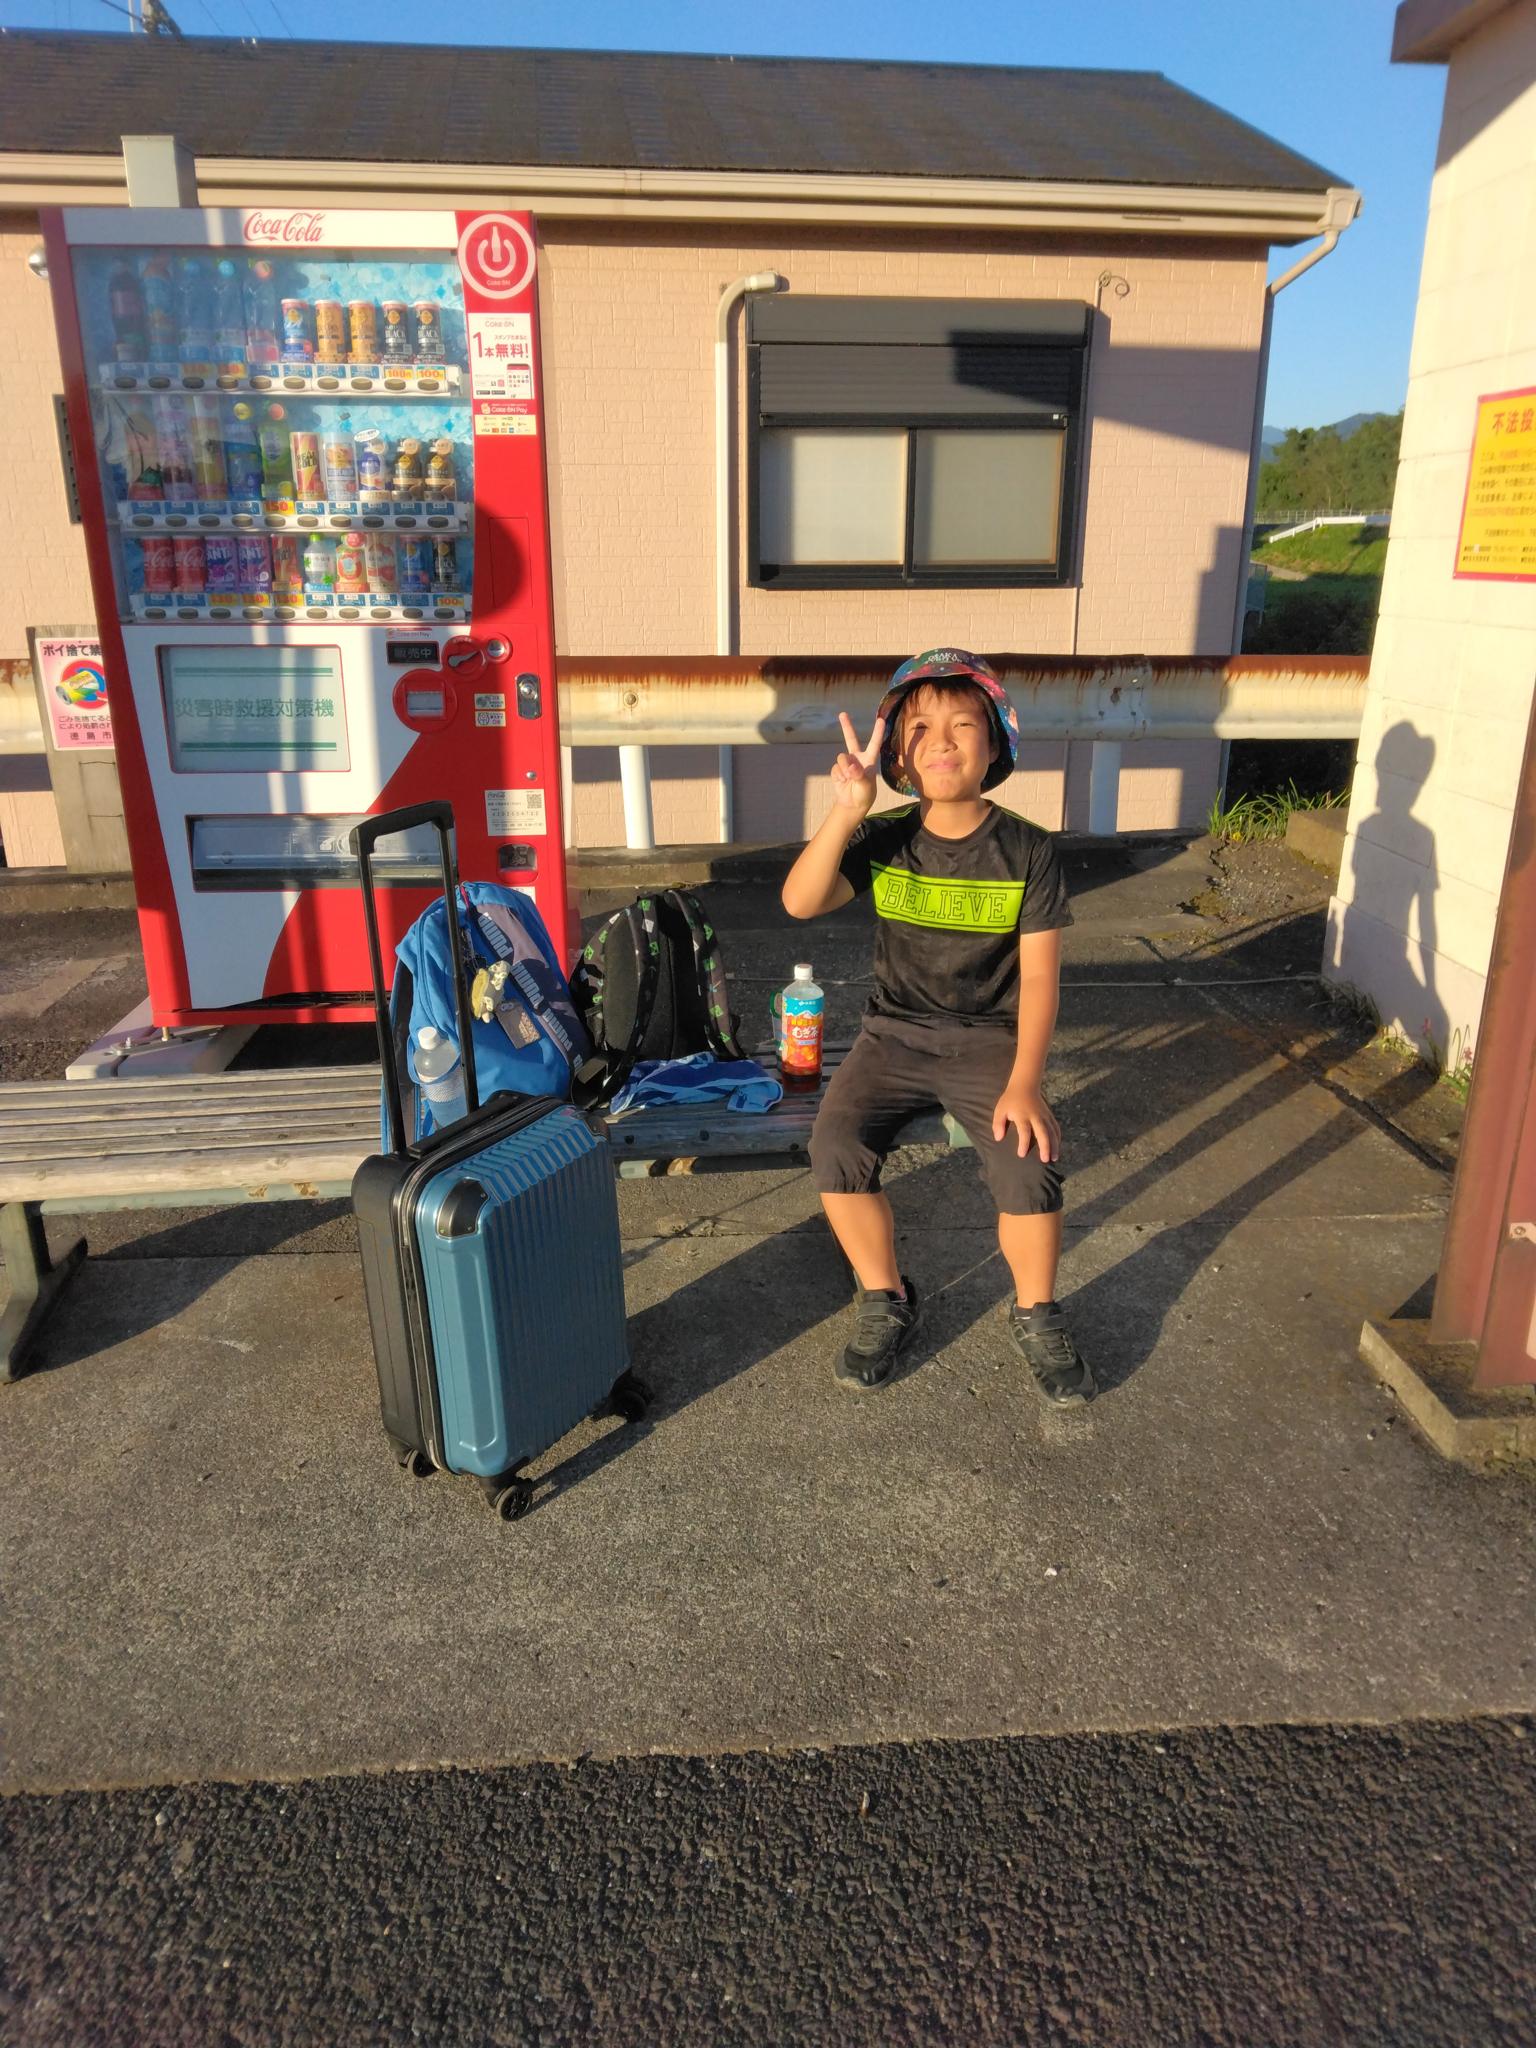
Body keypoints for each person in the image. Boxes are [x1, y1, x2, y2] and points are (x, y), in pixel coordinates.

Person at [781, 649, 1094, 1404]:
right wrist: (846, 811)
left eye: (963, 725)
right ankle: (885, 1295)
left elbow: (1041, 979)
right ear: (898, 754)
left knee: (1028, 1162)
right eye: (919, 728)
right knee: (835, 1146)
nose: (942, 742)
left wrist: (1026, 1082)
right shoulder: (885, 836)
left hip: (990, 1042)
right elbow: (800, 900)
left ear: (996, 745)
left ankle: (1037, 1311)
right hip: (892, 1037)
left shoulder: (1027, 849)